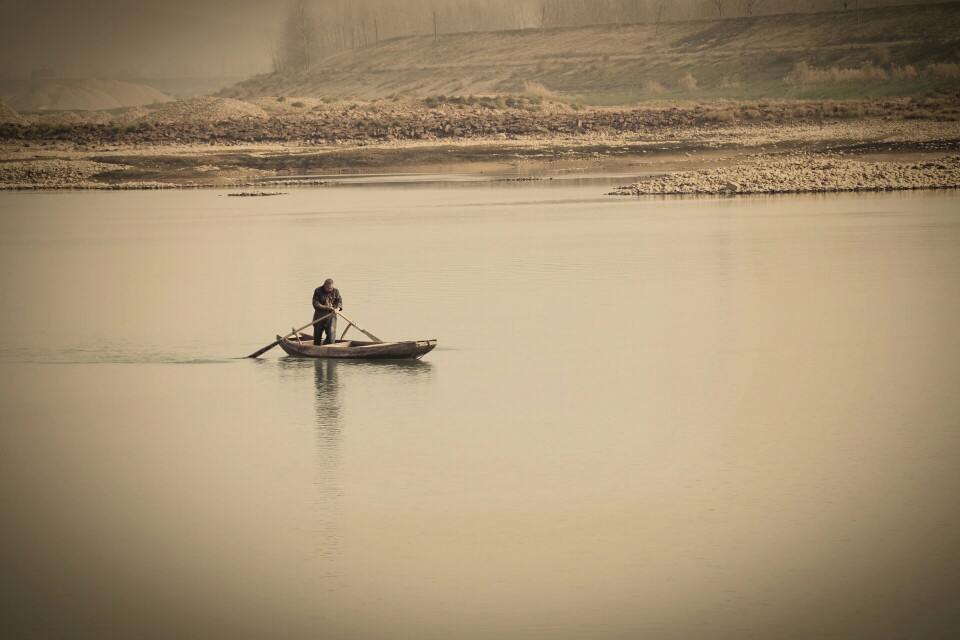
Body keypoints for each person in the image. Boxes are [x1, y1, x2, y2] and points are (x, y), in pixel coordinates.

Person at [312, 279, 343, 345]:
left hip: (331, 316)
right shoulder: (318, 291)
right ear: (324, 286)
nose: (331, 289)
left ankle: (329, 348)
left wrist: (337, 309)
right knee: (317, 335)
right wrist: (325, 307)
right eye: (329, 288)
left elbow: (339, 301)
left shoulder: (336, 291)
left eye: (332, 288)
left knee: (331, 335)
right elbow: (315, 303)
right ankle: (316, 348)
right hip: (319, 316)